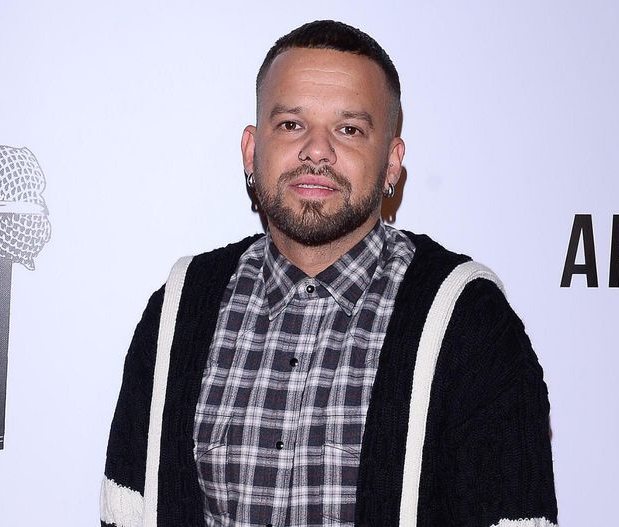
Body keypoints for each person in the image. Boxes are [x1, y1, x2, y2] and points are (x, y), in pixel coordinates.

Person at [101, 20, 557, 527]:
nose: (316, 150)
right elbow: (127, 511)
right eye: (291, 124)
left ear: (392, 163)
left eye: (349, 129)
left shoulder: (469, 321)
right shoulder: (178, 310)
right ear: (252, 149)